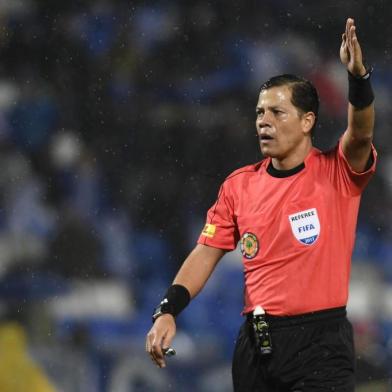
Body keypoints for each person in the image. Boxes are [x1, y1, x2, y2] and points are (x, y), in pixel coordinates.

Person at [146, 18, 376, 392]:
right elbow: (206, 252)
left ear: (307, 121)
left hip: (321, 344)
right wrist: (168, 310)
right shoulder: (239, 185)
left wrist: (358, 78)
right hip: (256, 345)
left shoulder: (336, 171)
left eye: (276, 113)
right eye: (259, 113)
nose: (263, 122)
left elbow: (362, 131)